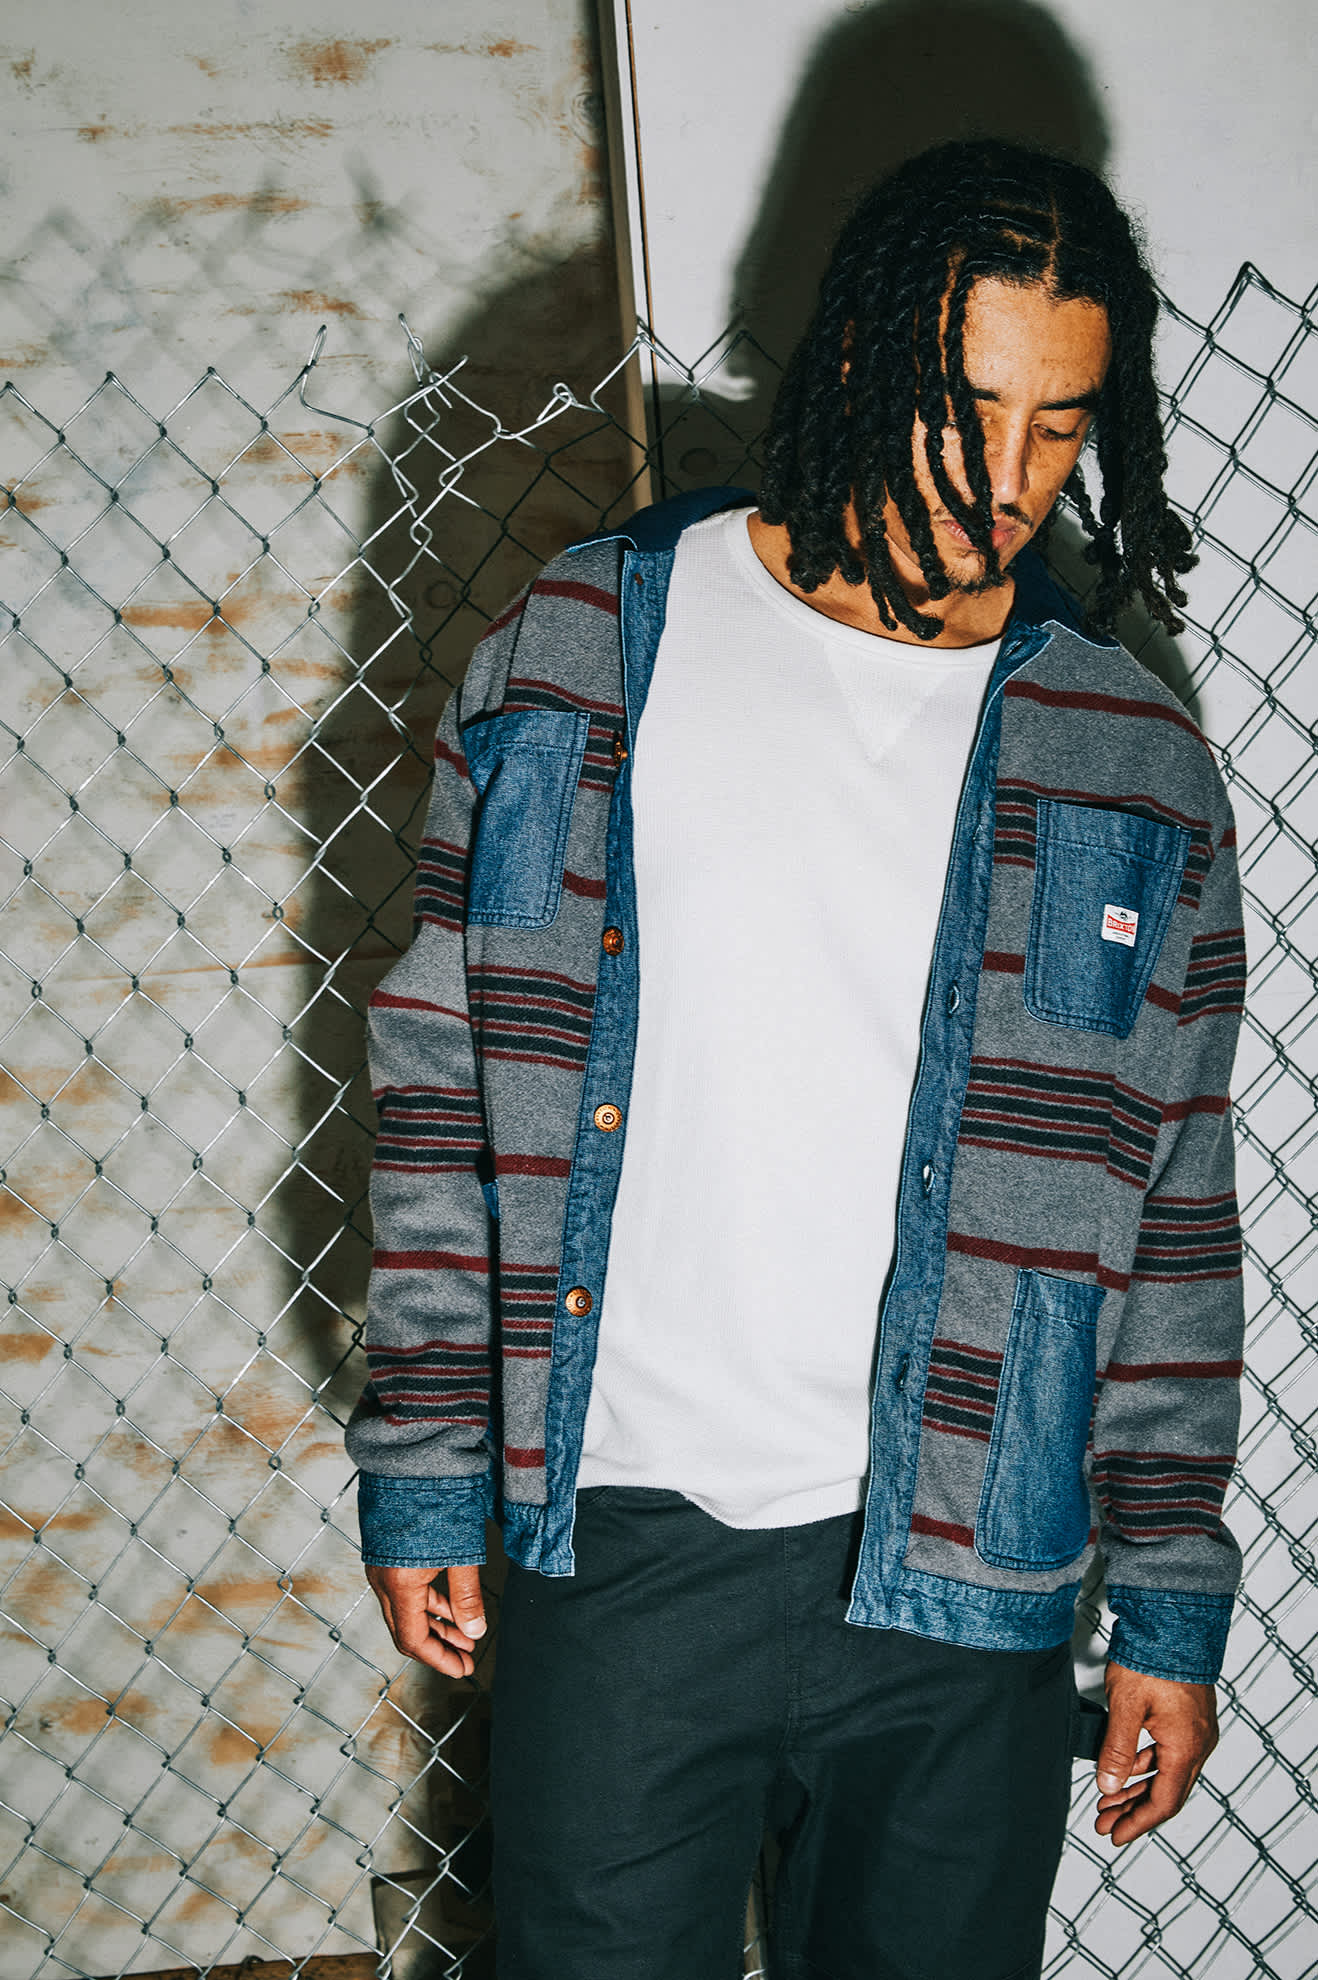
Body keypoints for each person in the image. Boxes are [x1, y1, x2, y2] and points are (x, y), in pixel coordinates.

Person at [348, 139, 1246, 1980]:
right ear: (851, 359)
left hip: (970, 1570)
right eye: (965, 410)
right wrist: (427, 1463)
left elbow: (1171, 1202)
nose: (1007, 481)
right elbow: (441, 1082)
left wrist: (1165, 1594)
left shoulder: (1127, 755)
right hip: (631, 1536)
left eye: (1058, 427)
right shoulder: (586, 648)